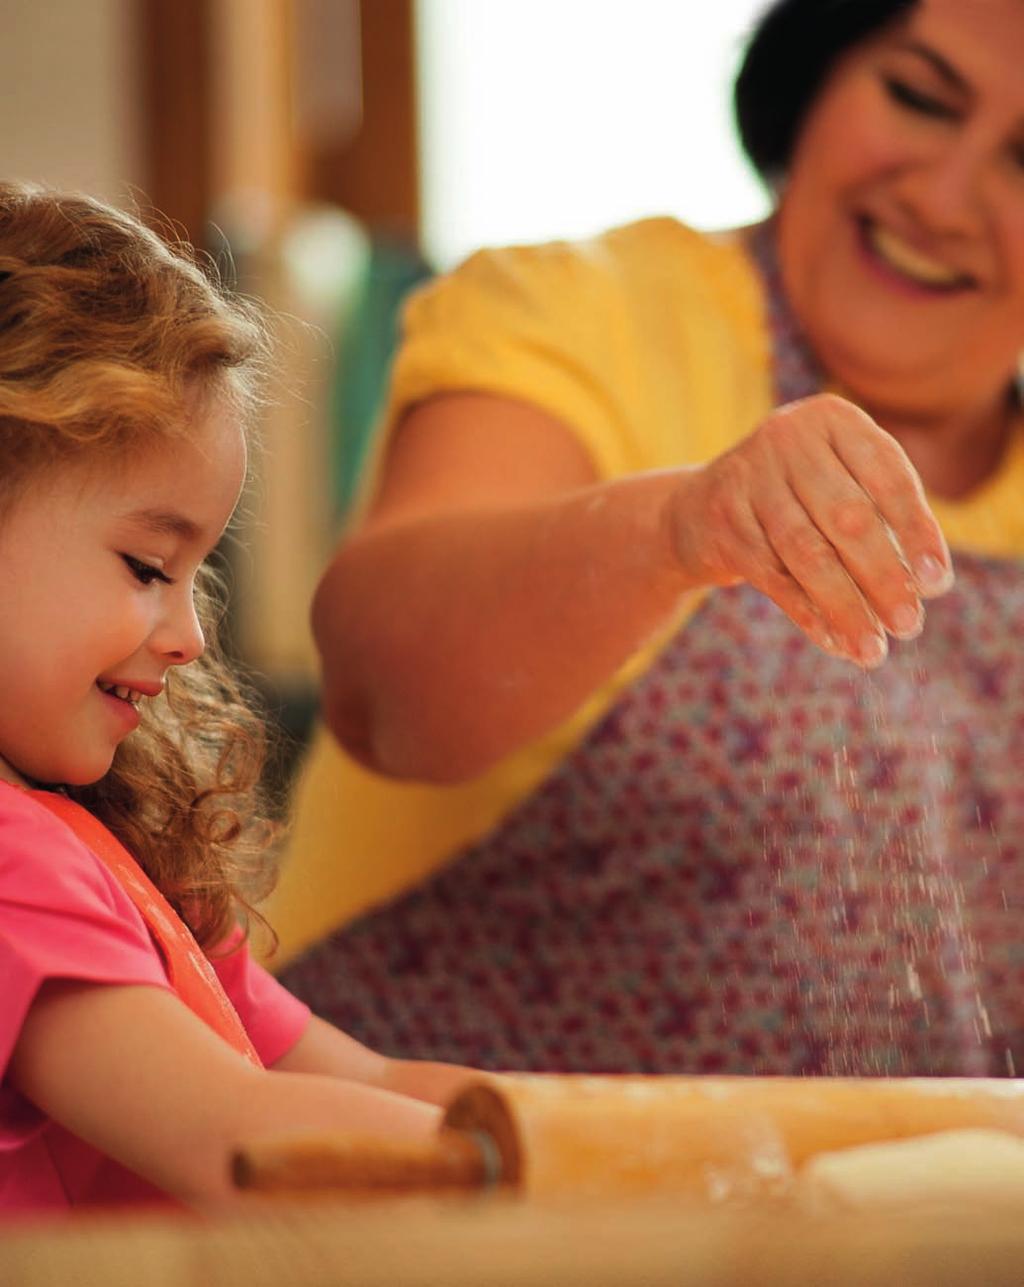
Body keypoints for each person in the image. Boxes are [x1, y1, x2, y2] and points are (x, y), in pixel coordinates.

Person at [274, 0, 1024, 1078]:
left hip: (864, 1236)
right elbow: (385, 691)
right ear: (814, 73)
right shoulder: (576, 309)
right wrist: (680, 528)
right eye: (914, 96)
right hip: (423, 1179)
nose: (944, 200)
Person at [0, 183, 472, 1216]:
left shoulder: (95, 849)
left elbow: (368, 1086)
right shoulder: (9, 863)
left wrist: (649, 1128)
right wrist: (586, 1173)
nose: (191, 636)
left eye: (195, 572)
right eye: (144, 565)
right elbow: (246, 1142)